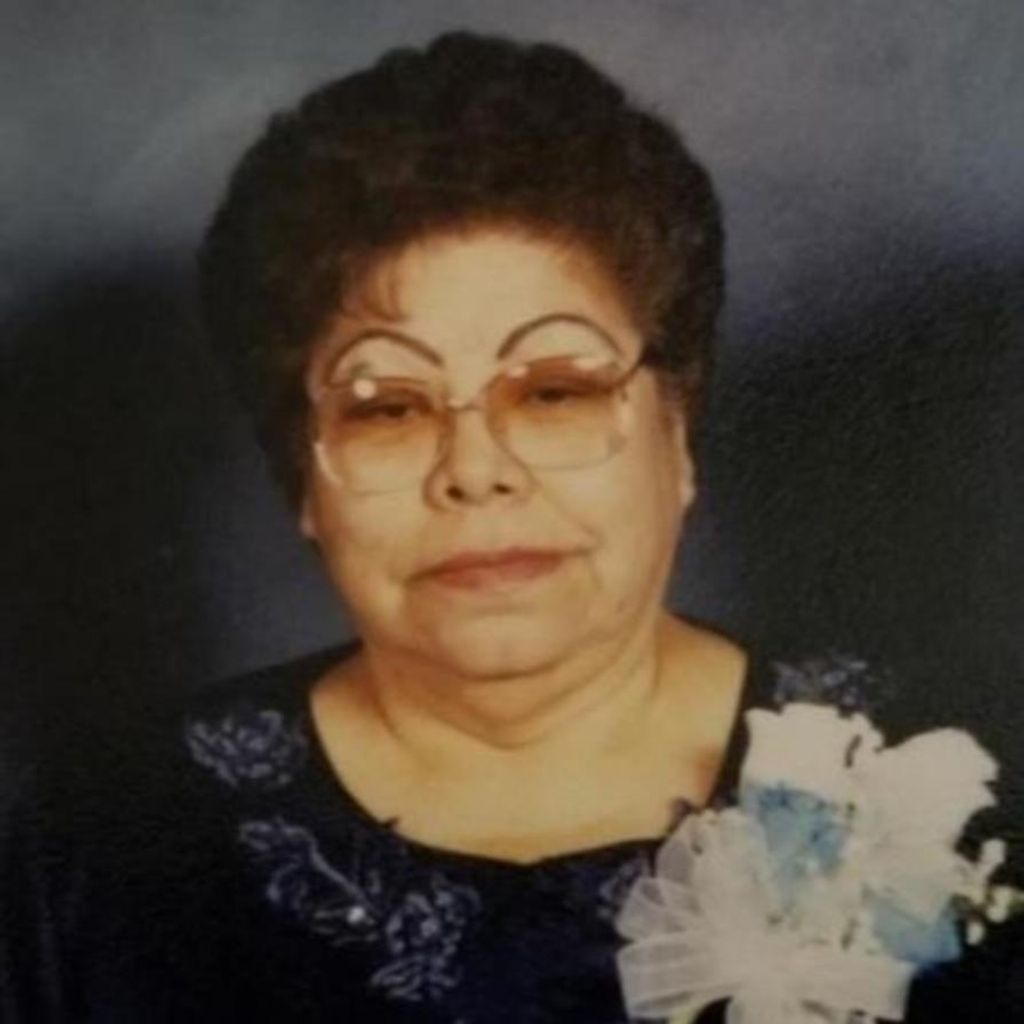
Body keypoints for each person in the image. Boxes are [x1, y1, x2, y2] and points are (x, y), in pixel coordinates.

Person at [1, 30, 1019, 1024]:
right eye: (388, 409)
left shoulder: (958, 803)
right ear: (301, 480)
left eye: (553, 392)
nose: (475, 471)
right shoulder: (90, 862)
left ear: (677, 432)